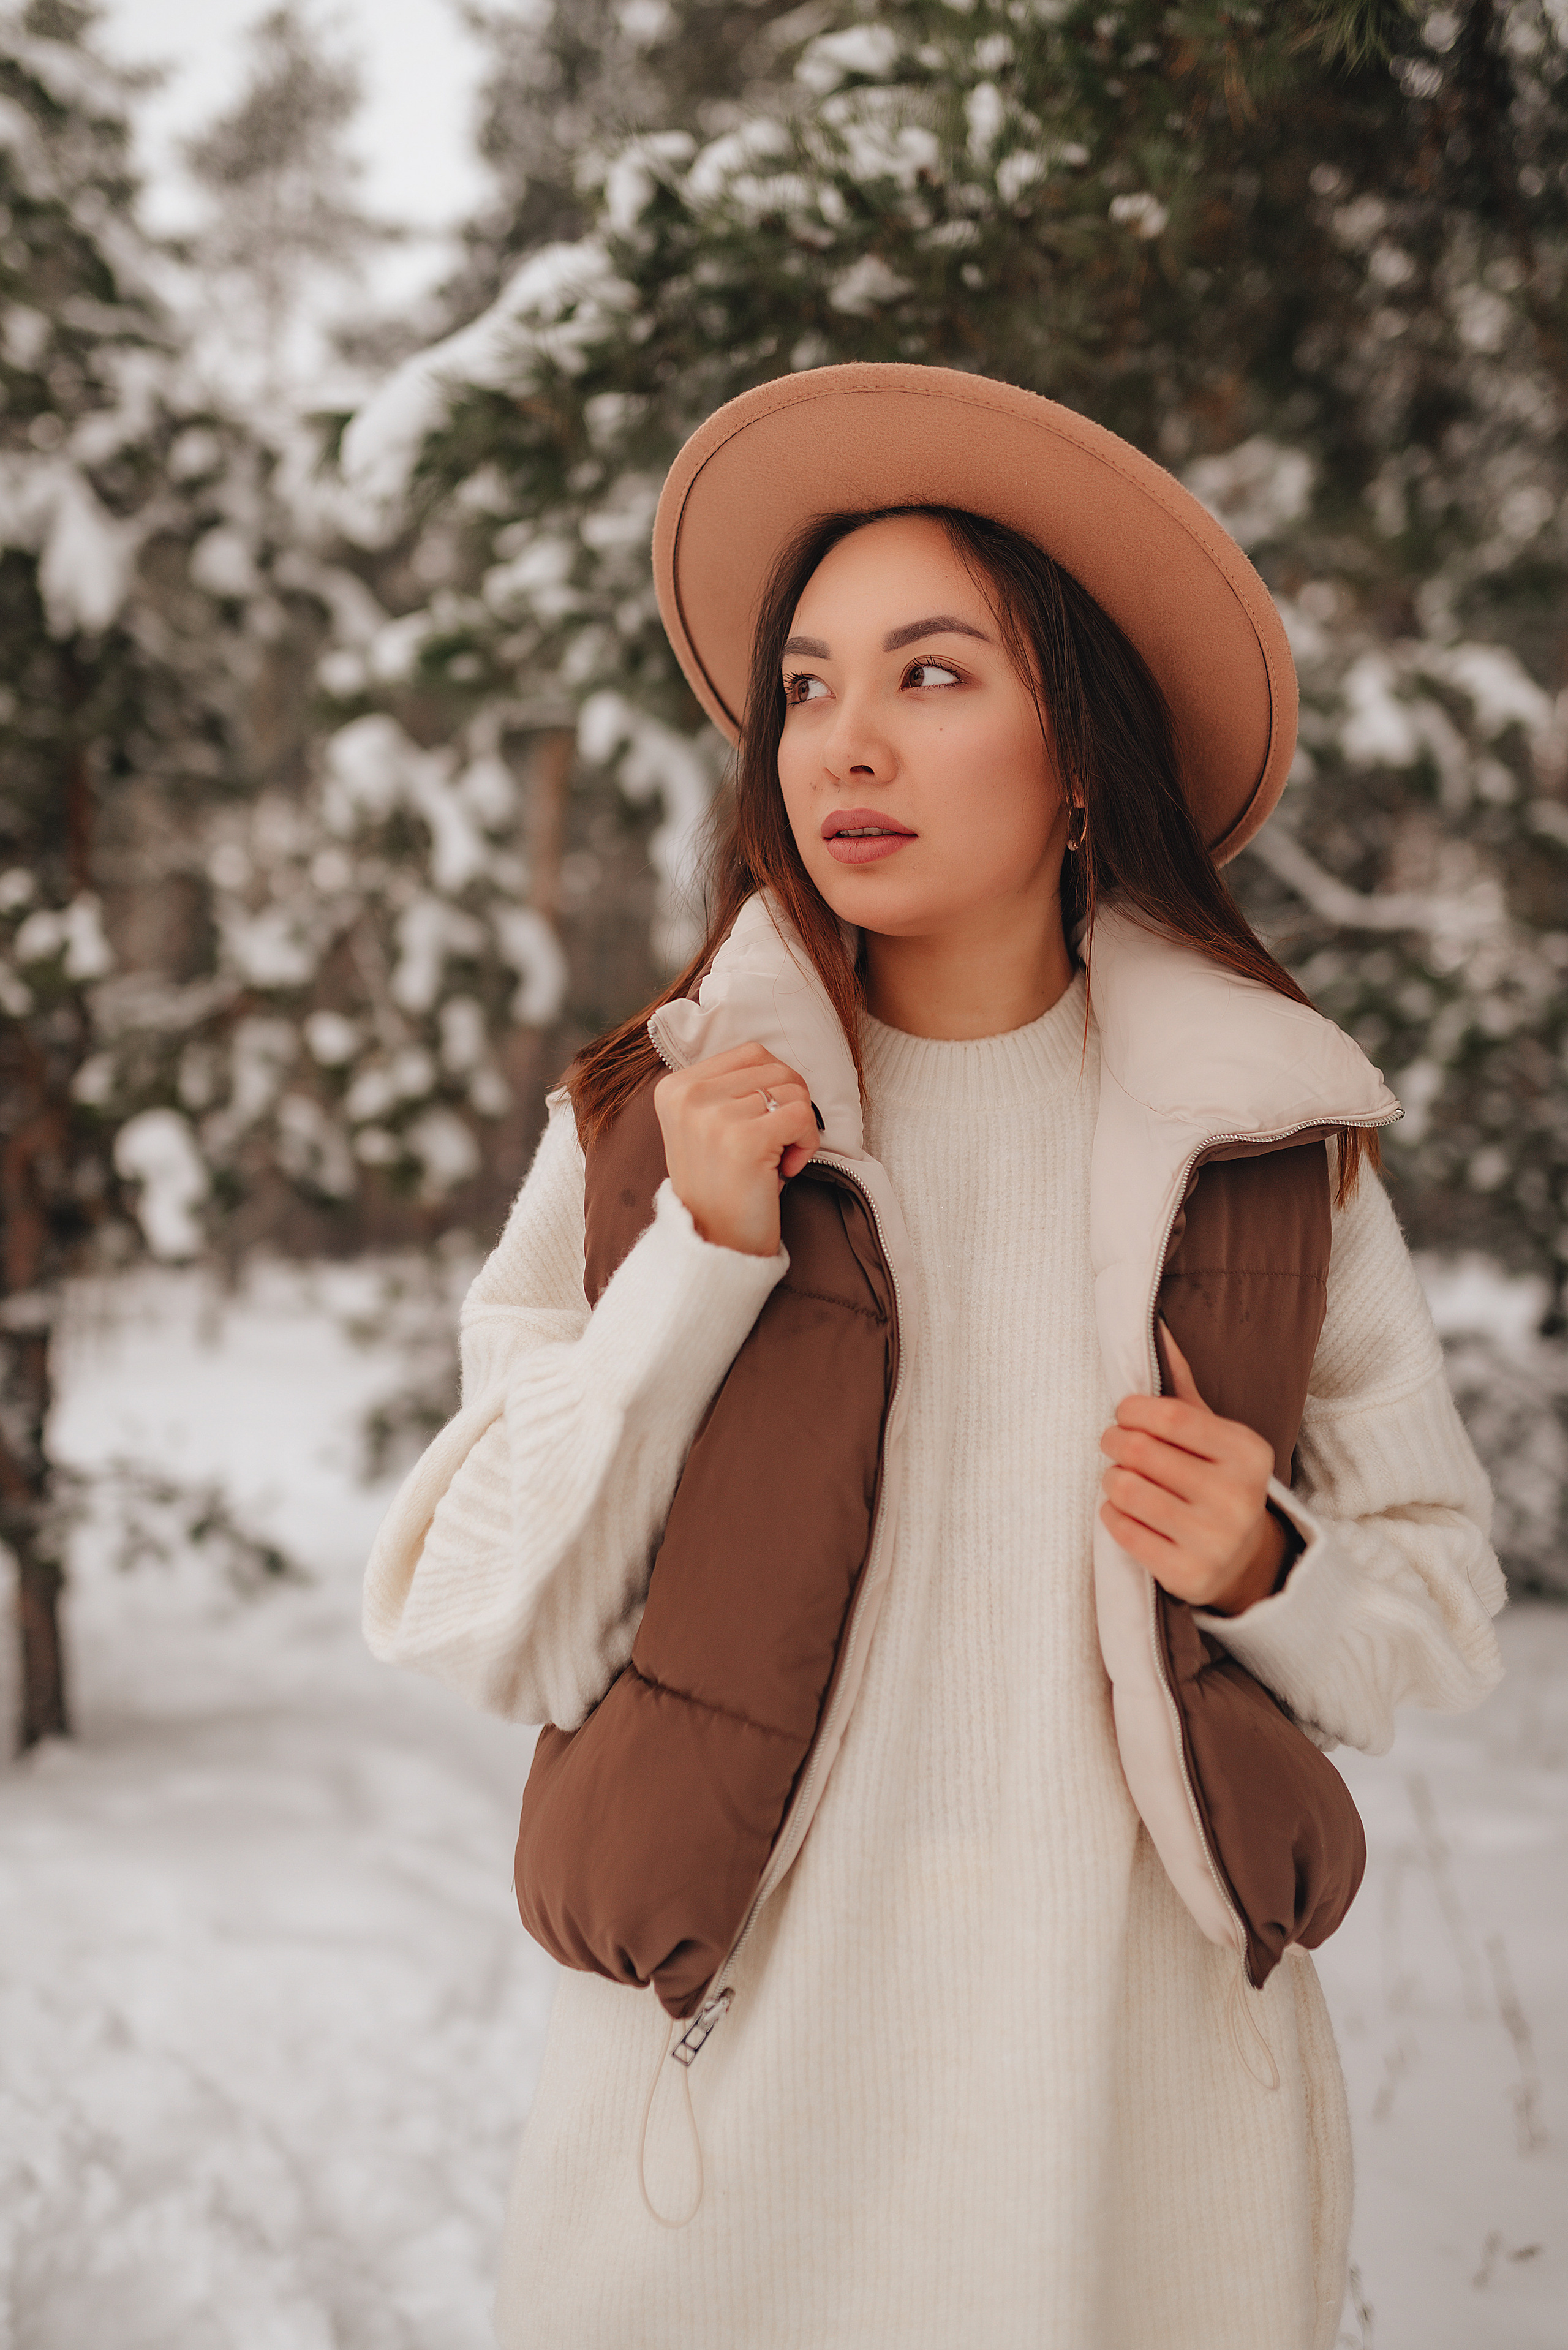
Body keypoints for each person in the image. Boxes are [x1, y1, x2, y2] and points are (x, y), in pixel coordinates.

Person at [363, 366, 1504, 2350]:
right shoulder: (652, 1126)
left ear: (1084, 760)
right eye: (808, 686)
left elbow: (1443, 1597)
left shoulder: (1264, 1150)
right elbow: (475, 1613)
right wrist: (700, 1269)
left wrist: (1274, 1570)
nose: (849, 742)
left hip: (1146, 2140)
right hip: (727, 2137)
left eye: (935, 675)